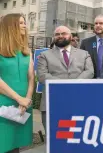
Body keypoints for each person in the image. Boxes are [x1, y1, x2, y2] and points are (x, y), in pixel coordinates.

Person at [37, 25, 94, 130]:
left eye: (63, 33)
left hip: (78, 101)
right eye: (57, 34)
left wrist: (73, 85)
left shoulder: (84, 54)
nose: (60, 36)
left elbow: (90, 71)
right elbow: (42, 75)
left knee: (77, 138)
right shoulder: (44, 55)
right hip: (52, 102)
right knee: (54, 139)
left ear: (71, 36)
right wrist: (64, 85)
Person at [0, 13, 34, 153]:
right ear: (10, 26)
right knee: (3, 143)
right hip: (4, 105)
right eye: (21, 23)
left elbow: (31, 78)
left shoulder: (27, 51)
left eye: (24, 22)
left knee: (15, 146)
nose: (25, 26)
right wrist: (19, 98)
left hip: (23, 106)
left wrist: (27, 99)